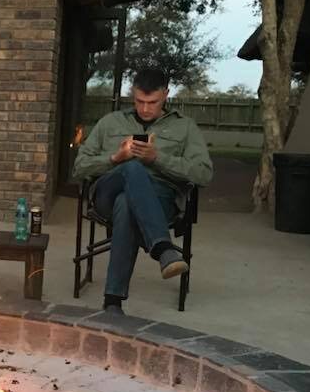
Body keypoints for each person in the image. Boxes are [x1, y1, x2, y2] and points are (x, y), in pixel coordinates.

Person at [73, 68, 213, 314]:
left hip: (160, 199)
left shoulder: (185, 127)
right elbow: (79, 167)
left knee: (127, 204)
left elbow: (203, 173)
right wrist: (116, 158)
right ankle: (162, 248)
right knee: (132, 169)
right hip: (108, 190)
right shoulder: (110, 122)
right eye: (139, 101)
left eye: (153, 102)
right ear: (132, 95)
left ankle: (113, 302)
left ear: (166, 95)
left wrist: (157, 158)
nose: (145, 108)